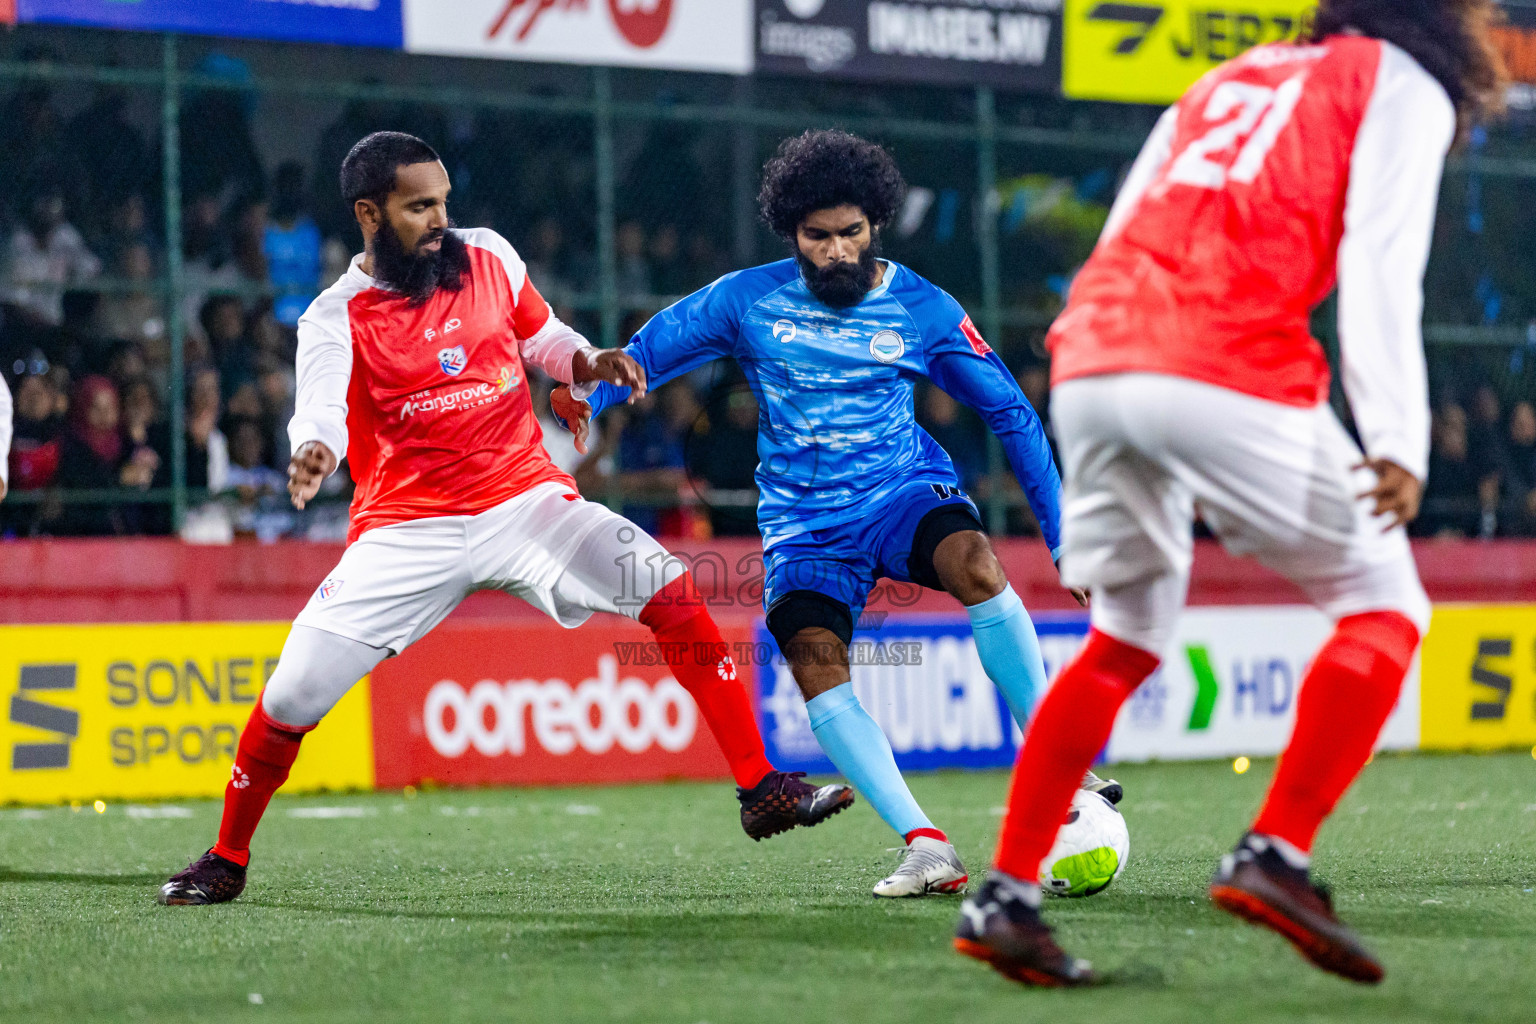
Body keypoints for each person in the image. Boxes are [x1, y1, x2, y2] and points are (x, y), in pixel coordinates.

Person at [954, 0, 1506, 987]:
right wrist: (1398, 436)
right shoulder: (1401, 83)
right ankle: (1276, 851)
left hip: (1091, 358)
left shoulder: (1228, 78)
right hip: (1223, 358)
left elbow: (1122, 233)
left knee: (1123, 638)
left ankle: (1005, 895)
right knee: (1386, 606)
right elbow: (1381, 263)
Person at [158, 132, 852, 907]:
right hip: (407, 530)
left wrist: (588, 360)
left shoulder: (487, 255)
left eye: (444, 201)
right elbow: (317, 409)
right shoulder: (334, 317)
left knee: (675, 593)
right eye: (419, 206)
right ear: (369, 214)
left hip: (527, 501)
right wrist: (314, 450)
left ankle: (761, 789)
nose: (440, 220)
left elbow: (544, 337)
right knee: (289, 701)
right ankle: (226, 857)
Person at [555, 130, 1108, 899]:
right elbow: (642, 359)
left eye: (852, 232)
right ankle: (926, 845)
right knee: (816, 665)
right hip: (805, 528)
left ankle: (1060, 765)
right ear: (793, 233)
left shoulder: (924, 308)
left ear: (874, 223)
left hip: (902, 492)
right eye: (819, 237)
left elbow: (1012, 413)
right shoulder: (743, 301)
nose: (838, 250)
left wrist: (1063, 540)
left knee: (976, 564)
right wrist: (580, 406)